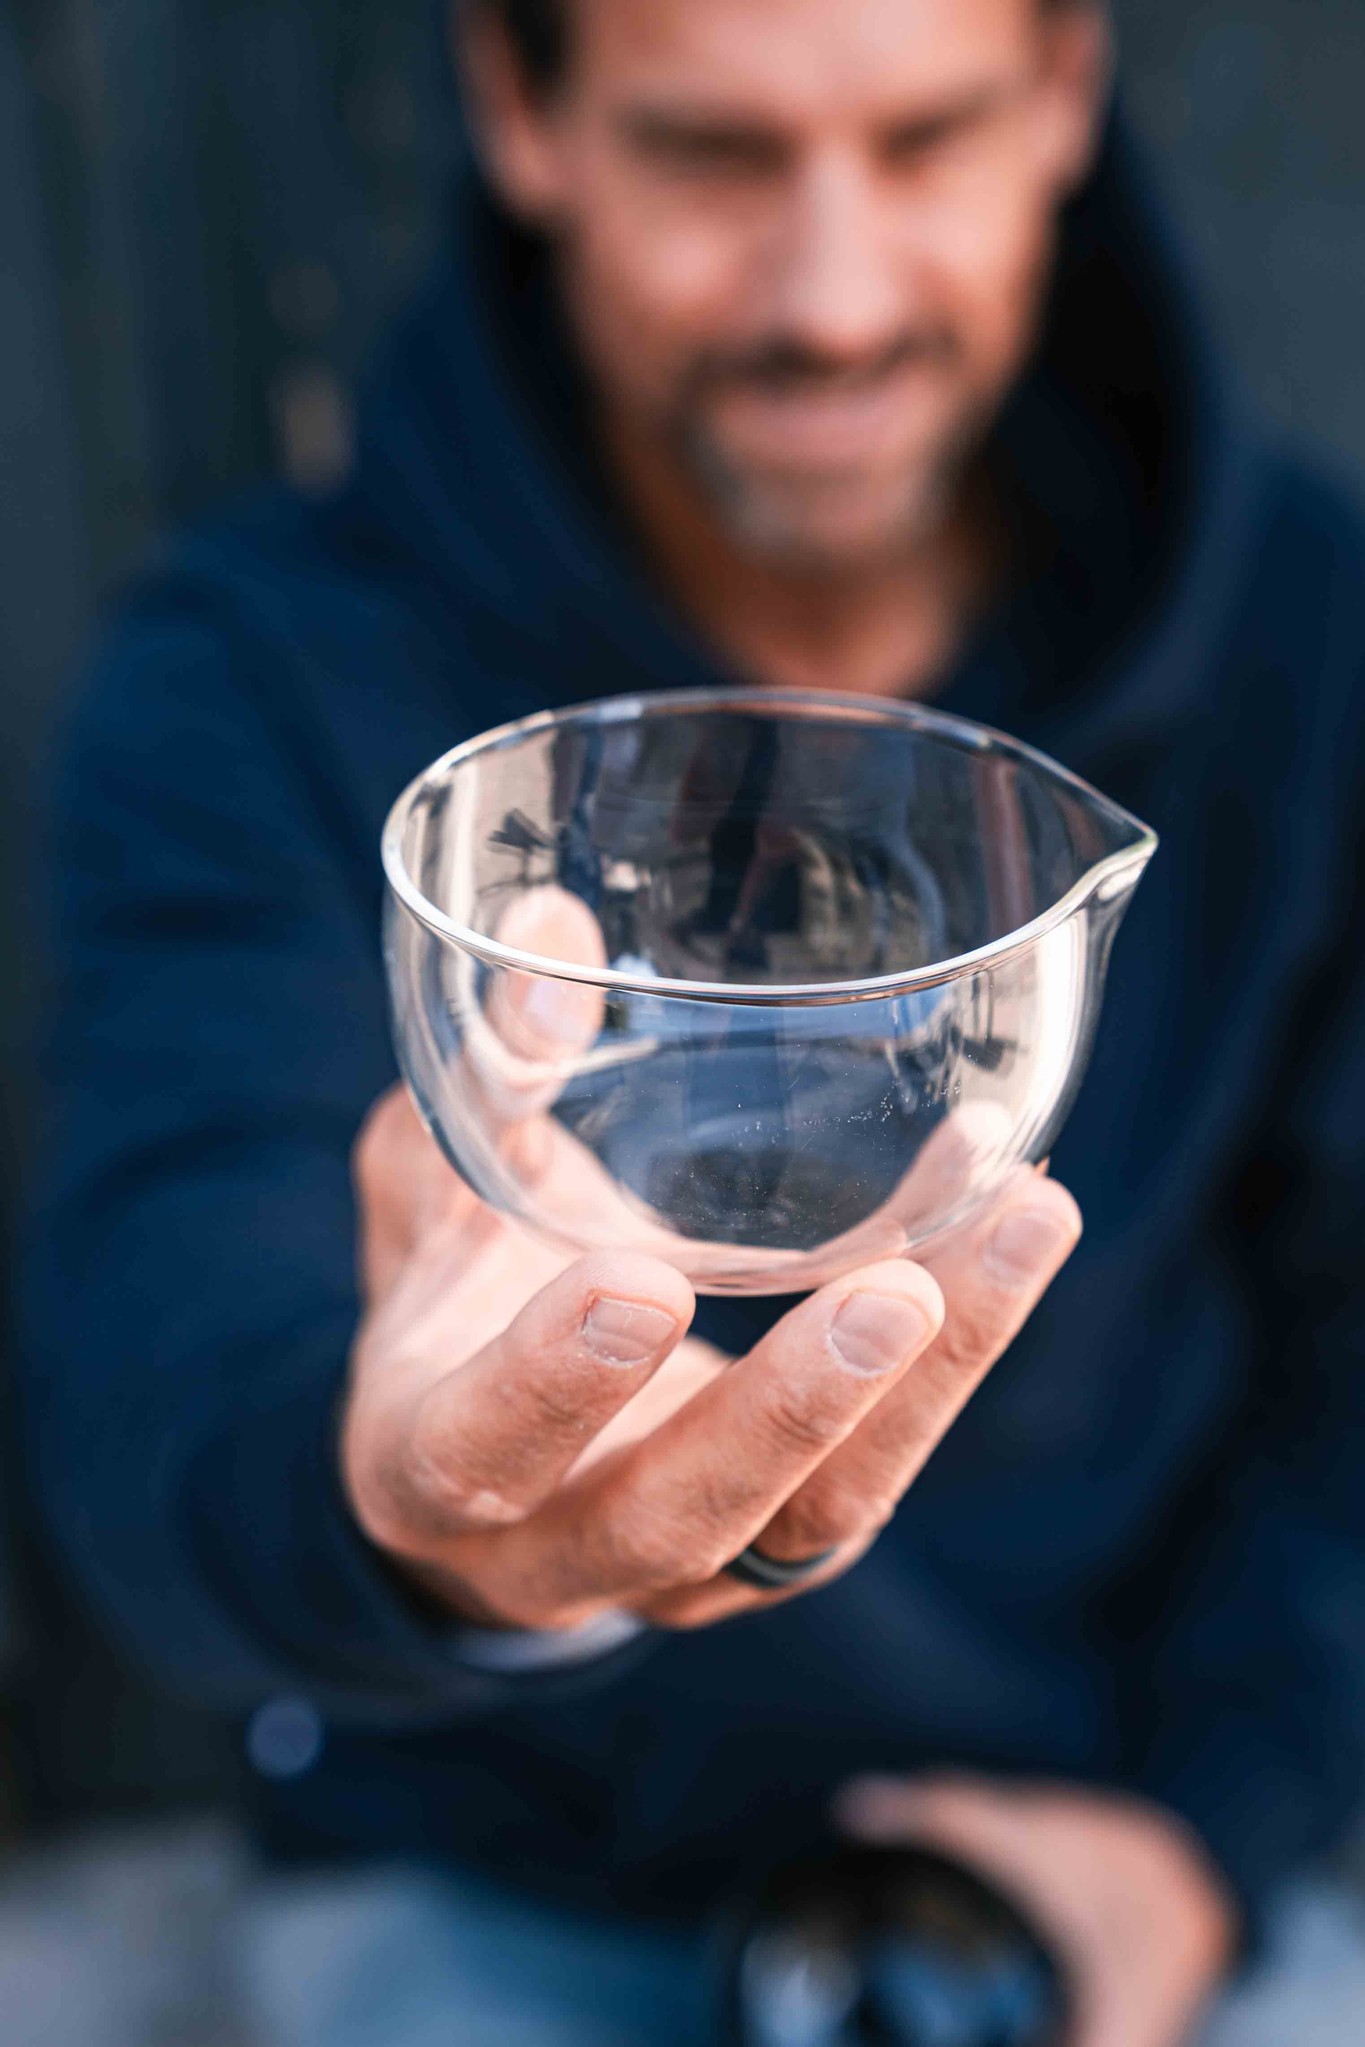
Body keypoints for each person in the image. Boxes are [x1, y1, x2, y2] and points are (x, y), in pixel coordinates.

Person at [24, 1, 1365, 2042]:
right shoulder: (264, 678)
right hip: (486, 1867)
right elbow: (155, 1370)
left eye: (919, 140)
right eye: (713, 158)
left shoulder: (1311, 645)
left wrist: (1198, 1842)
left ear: (1065, 89)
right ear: (518, 107)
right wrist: (423, 1521)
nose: (830, 299)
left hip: (1104, 1845)